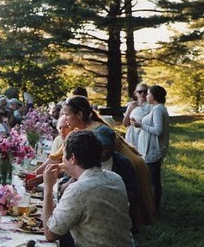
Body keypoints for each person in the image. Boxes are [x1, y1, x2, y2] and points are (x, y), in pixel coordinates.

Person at [42, 130, 140, 247]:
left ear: (72, 158)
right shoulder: (114, 177)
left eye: (64, 156)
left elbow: (50, 233)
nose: (63, 161)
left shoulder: (79, 190)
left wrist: (48, 188)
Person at [51, 96, 155, 230]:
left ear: (79, 115)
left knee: (131, 205)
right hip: (107, 165)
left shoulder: (95, 131)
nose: (65, 118)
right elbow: (58, 157)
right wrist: (39, 176)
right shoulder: (80, 131)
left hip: (129, 163)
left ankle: (127, 230)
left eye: (66, 114)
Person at [131, 85, 170, 215]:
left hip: (153, 151)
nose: (146, 96)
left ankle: (152, 210)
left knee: (152, 181)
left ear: (154, 96)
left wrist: (141, 125)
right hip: (150, 150)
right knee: (153, 180)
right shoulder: (157, 109)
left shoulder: (158, 110)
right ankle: (153, 208)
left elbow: (158, 131)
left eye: (148, 94)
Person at [94, 124, 138, 231]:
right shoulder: (84, 160)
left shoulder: (123, 163)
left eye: (106, 146)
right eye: (99, 146)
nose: (102, 150)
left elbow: (132, 194)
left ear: (113, 146)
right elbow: (64, 186)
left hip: (115, 212)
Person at [123, 83, 152, 148]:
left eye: (145, 92)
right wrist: (130, 109)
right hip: (132, 135)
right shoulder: (131, 105)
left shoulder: (151, 106)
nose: (142, 94)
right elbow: (125, 124)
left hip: (145, 134)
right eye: (140, 92)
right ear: (136, 93)